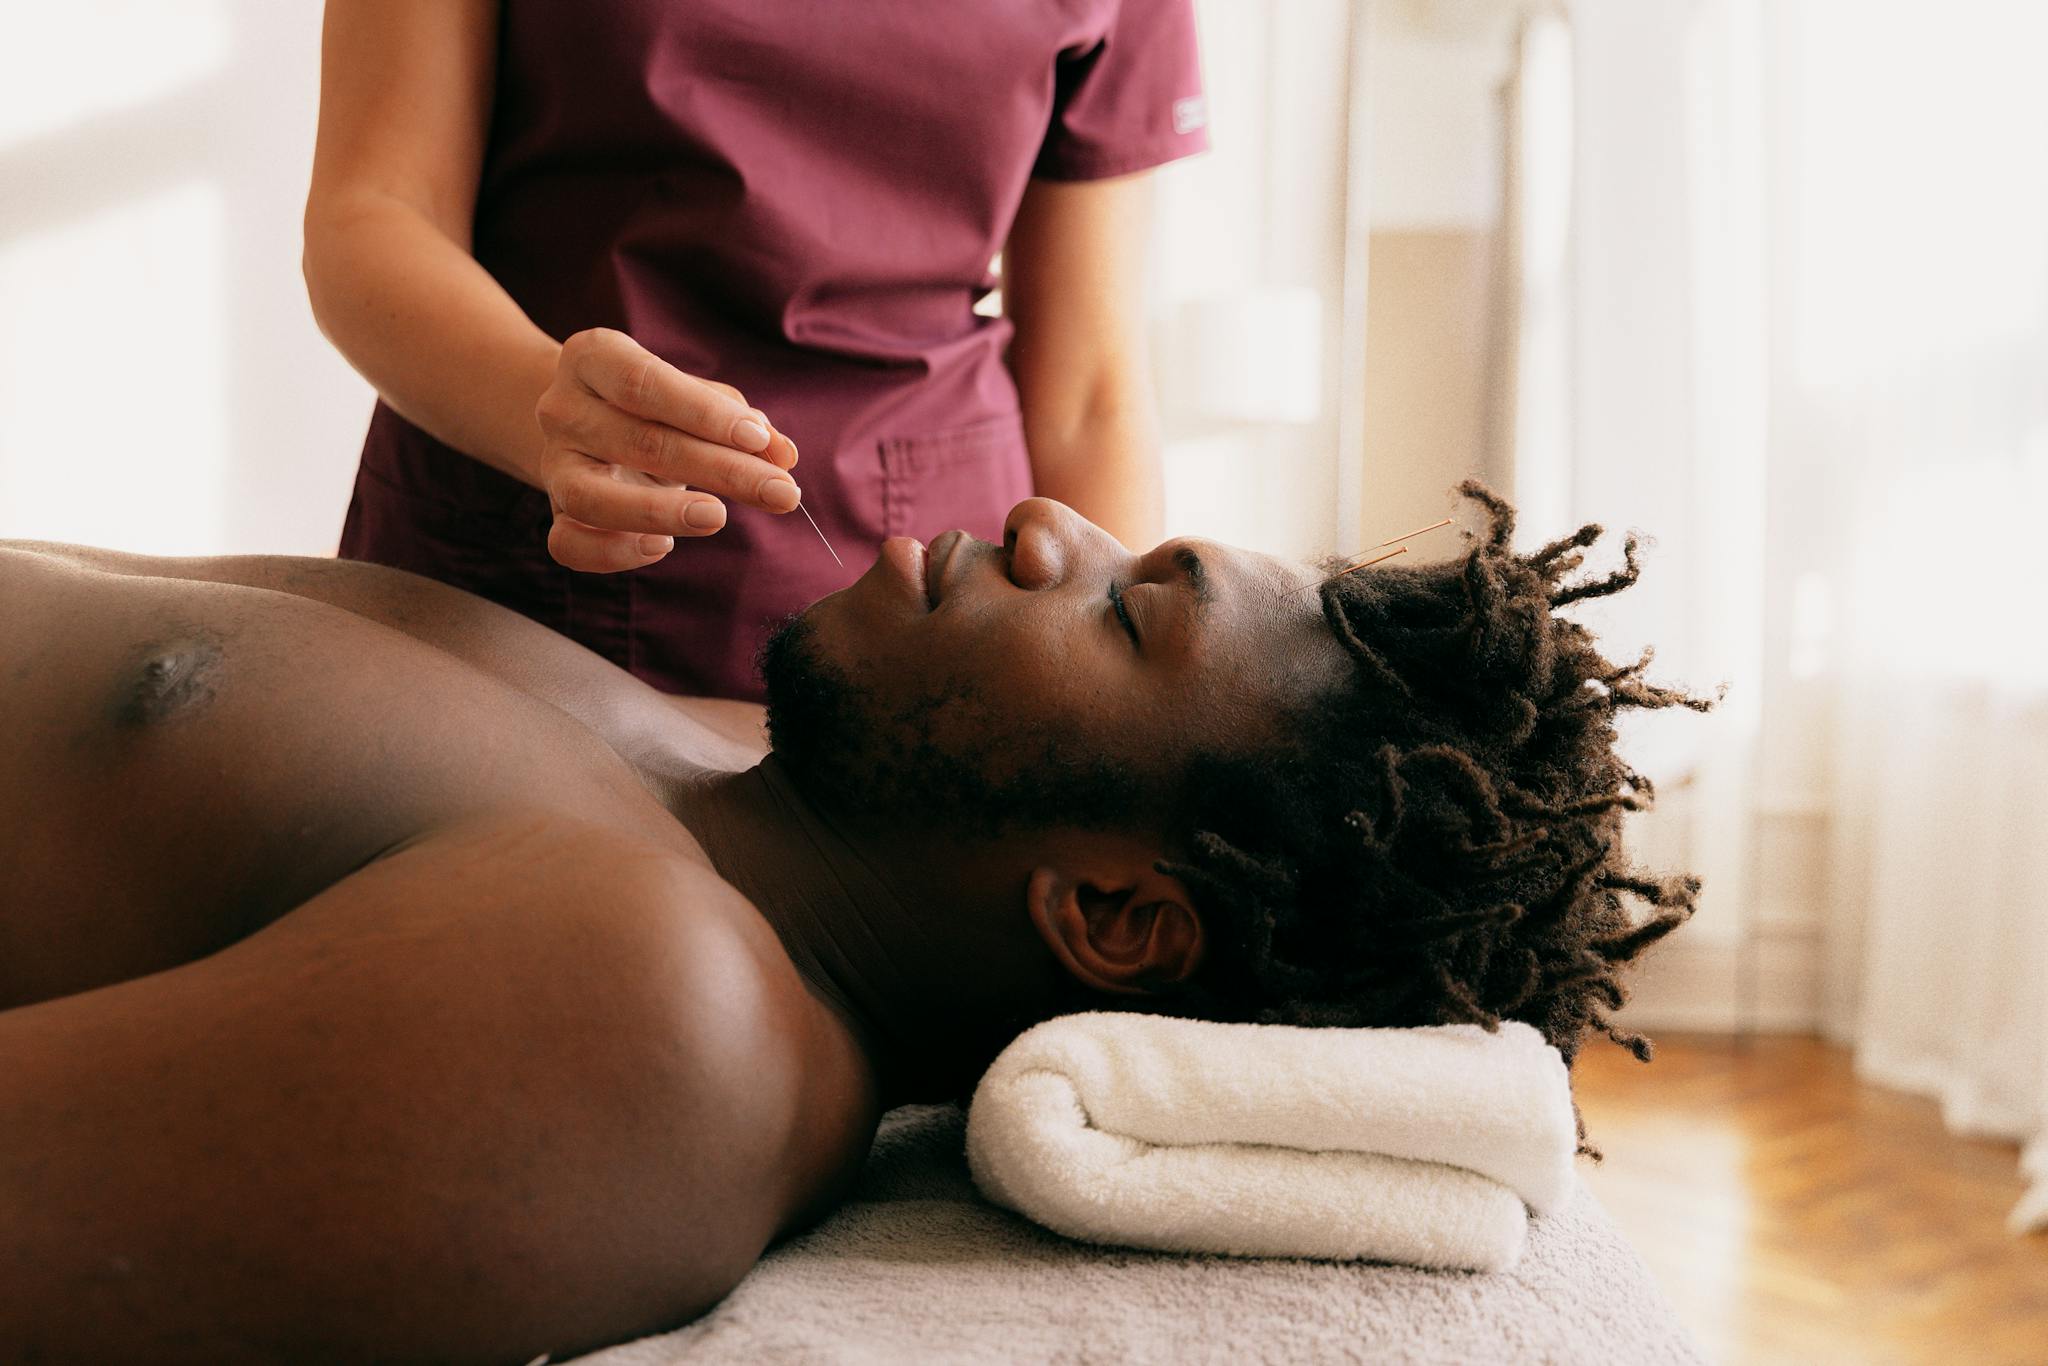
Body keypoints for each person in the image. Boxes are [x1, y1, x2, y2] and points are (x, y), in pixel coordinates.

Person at [0, 486, 1703, 1363]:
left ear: (1111, 915)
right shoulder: (702, 766)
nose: (1050, 522)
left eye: (1127, 609)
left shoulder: (653, 1022)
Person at [303, 0, 1207, 702]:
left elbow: (1087, 389)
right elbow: (374, 211)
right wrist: (547, 411)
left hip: (938, 623)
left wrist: (1118, 717)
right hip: (521, 575)